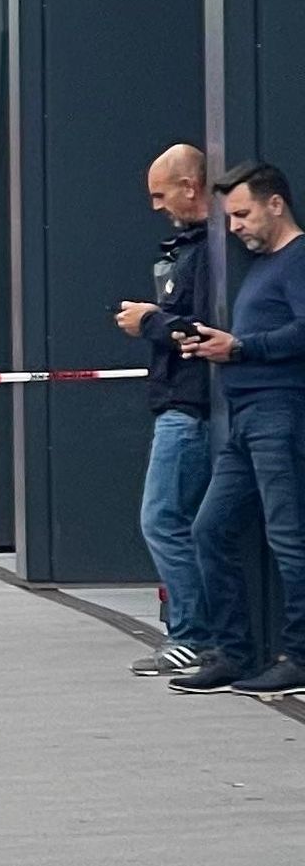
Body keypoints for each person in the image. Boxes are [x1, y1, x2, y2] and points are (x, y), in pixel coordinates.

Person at [177, 163, 305, 690]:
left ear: (276, 204)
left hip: (280, 415)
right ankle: (235, 652)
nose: (235, 227)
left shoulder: (298, 259)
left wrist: (243, 347)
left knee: (289, 538)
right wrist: (218, 344)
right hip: (245, 419)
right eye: (230, 217)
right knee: (210, 529)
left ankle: (298, 657)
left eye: (243, 214)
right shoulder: (264, 267)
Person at [117, 142, 227, 674]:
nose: (157, 206)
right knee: (187, 522)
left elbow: (198, 330)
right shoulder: (196, 248)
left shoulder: (207, 252)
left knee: (164, 518)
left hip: (189, 405)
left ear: (190, 186)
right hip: (185, 403)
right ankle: (200, 632)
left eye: (162, 194)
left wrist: (150, 322)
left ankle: (193, 633)